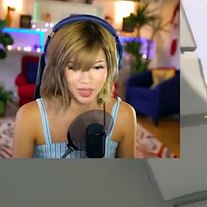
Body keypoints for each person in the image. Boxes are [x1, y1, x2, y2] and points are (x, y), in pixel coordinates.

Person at [12, 17, 137, 158]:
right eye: (73, 67)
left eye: (97, 67)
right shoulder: (29, 117)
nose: (86, 80)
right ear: (57, 68)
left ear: (111, 68)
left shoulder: (124, 116)